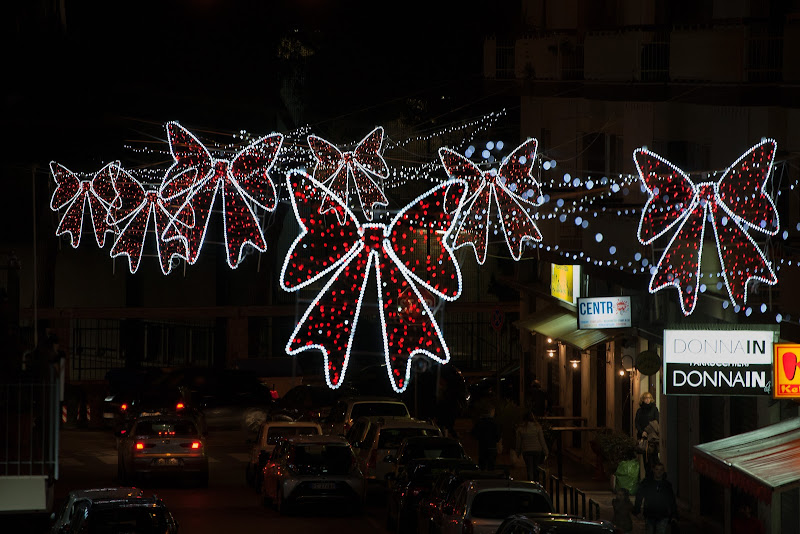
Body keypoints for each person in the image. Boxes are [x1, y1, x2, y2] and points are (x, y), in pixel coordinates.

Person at [633, 462, 677, 534]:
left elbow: (672, 500)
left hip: (663, 515)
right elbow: (639, 496)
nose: (659, 472)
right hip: (649, 515)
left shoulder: (667, 485)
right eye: (657, 469)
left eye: (661, 470)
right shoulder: (646, 483)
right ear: (653, 470)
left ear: (663, 471)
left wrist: (674, 515)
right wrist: (637, 511)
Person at [515, 411, 549, 482]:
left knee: (529, 468)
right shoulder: (538, 427)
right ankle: (536, 483)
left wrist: (517, 452)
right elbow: (542, 441)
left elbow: (518, 442)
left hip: (526, 451)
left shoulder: (521, 429)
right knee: (535, 468)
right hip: (537, 451)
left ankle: (530, 482)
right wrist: (546, 451)